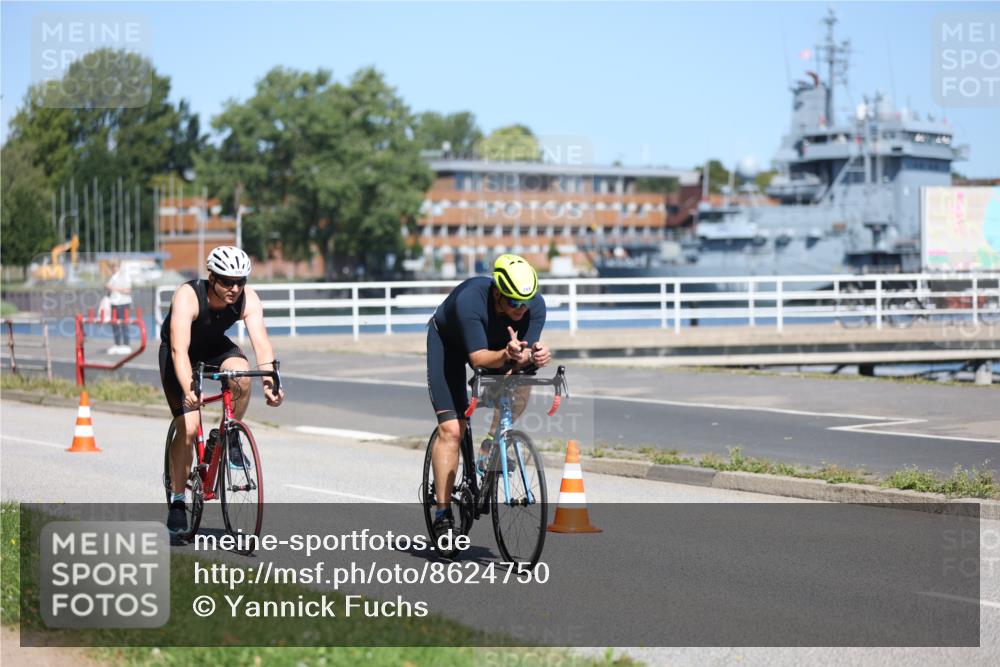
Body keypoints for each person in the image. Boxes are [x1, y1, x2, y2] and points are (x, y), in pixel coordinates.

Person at [426, 254, 552, 539]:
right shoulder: (471, 299)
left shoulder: (535, 306)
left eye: (526, 301)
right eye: (513, 302)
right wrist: (509, 355)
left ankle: (489, 450)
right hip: (451, 345)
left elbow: (524, 358)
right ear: (497, 293)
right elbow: (478, 358)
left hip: (499, 347)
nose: (521, 309)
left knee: (522, 382)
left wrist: (536, 355)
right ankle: (443, 514)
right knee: (452, 429)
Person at [160, 246, 284, 533]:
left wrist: (270, 382)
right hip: (180, 354)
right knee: (189, 429)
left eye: (240, 281)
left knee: (241, 376)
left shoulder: (247, 299)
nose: (234, 288)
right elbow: (179, 350)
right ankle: (179, 501)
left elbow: (261, 343)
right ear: (212, 277)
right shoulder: (188, 296)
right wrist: (189, 386)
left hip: (215, 347)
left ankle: (230, 435)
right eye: (227, 281)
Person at [106, 260, 132, 355]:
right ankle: (117, 344)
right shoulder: (112, 277)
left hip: (123, 303)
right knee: (114, 324)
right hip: (113, 303)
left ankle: (126, 344)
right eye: (112, 267)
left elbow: (127, 290)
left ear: (119, 266)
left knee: (124, 323)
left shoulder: (125, 276)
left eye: (115, 266)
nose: (113, 268)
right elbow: (110, 290)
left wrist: (113, 288)